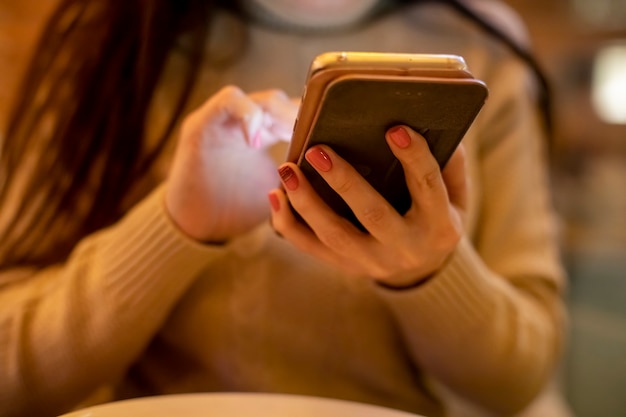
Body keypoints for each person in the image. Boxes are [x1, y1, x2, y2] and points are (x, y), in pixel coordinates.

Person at [0, 0, 570, 416]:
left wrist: (431, 274)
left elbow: (519, 380)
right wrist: (175, 229)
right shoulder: (111, 31)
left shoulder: (483, 45)